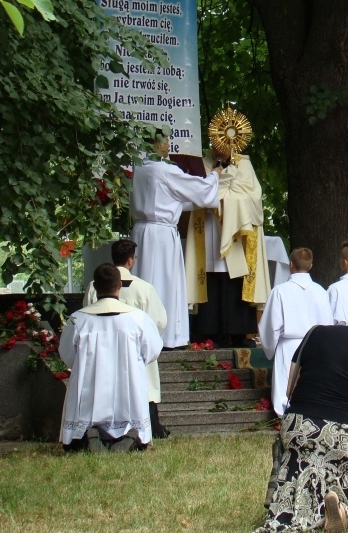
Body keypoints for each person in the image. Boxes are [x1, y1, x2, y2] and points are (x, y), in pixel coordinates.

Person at [254, 300, 348, 533]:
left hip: (299, 426)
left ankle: (291, 512)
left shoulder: (315, 334)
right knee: (340, 483)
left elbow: (290, 388)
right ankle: (339, 510)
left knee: (296, 477)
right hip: (341, 436)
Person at [130, 131, 222, 349]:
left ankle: (141, 333)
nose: (169, 146)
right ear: (159, 145)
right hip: (161, 235)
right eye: (166, 142)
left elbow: (175, 199)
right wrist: (215, 174)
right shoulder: (165, 170)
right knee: (164, 281)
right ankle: (166, 336)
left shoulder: (138, 169)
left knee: (143, 279)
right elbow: (201, 190)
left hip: (141, 232)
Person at [59, 264, 163, 452]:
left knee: (84, 422)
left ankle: (89, 436)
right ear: (119, 286)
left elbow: (67, 354)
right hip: (128, 385)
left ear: (95, 288)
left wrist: (85, 365)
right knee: (131, 422)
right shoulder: (138, 319)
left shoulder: (78, 320)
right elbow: (153, 351)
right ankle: (128, 437)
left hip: (89, 389)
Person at [83, 239, 171, 439]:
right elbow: (159, 321)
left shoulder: (94, 286)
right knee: (143, 388)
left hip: (103, 350)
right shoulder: (145, 288)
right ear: (131, 260)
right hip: (136, 350)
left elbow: (87, 314)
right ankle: (149, 426)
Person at [184, 145, 271, 347]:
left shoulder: (244, 164)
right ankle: (208, 333)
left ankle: (240, 333)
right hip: (208, 230)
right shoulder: (202, 165)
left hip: (236, 237)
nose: (219, 151)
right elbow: (194, 193)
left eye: (224, 146)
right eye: (216, 145)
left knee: (235, 280)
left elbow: (254, 198)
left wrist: (224, 199)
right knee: (210, 279)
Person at [258, 247, 333, 417]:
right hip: (316, 345)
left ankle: (285, 416)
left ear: (291, 265)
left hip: (289, 345)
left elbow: (271, 325)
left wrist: (270, 346)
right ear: (311, 265)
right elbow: (329, 324)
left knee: (287, 384)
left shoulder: (280, 291)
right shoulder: (321, 291)